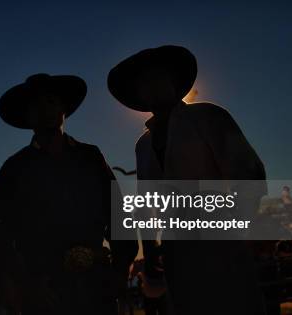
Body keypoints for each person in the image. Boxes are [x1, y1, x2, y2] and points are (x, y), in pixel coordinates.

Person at [108, 45, 268, 315]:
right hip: (176, 255)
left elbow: (249, 176)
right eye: (144, 82)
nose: (153, 86)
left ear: (174, 82)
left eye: (159, 77)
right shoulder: (143, 146)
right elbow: (146, 205)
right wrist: (150, 250)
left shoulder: (207, 117)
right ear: (139, 94)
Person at [0, 73, 138, 315]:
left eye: (51, 101)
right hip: (41, 291)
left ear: (63, 109)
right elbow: (0, 232)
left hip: (95, 285)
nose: (45, 109)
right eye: (36, 104)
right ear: (27, 115)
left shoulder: (90, 157)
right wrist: (24, 284)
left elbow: (119, 215)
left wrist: (120, 270)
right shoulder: (14, 168)